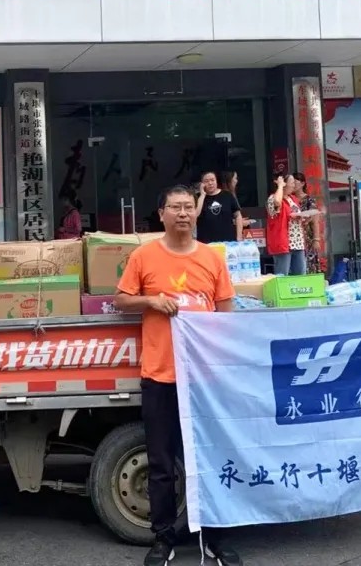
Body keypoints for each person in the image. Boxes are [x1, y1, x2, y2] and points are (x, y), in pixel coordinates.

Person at [114, 186, 241, 566]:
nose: (183, 213)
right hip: (160, 376)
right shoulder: (143, 256)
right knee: (161, 463)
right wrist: (150, 301)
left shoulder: (212, 258)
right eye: (175, 207)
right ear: (162, 213)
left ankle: (215, 538)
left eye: (188, 207)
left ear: (196, 213)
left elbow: (227, 313)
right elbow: (121, 301)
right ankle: (163, 538)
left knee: (208, 460)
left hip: (203, 381)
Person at [266, 173, 307, 275]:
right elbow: (277, 202)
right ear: (284, 184)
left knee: (300, 274)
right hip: (283, 243)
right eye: (292, 182)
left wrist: (302, 217)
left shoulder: (293, 198)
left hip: (297, 242)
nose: (294, 185)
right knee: (283, 274)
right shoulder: (273, 198)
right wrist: (280, 186)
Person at [194, 171, 242, 244]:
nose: (210, 183)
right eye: (206, 181)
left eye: (212, 180)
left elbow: (238, 216)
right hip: (205, 242)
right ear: (202, 184)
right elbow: (195, 214)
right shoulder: (198, 197)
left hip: (228, 241)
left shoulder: (227, 195)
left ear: (216, 181)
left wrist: (239, 236)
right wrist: (203, 195)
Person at [291, 172, 324, 274]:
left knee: (309, 262)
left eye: (295, 182)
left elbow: (315, 220)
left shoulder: (309, 200)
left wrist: (316, 239)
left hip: (307, 237)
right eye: (291, 183)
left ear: (302, 183)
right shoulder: (289, 199)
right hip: (293, 236)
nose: (293, 185)